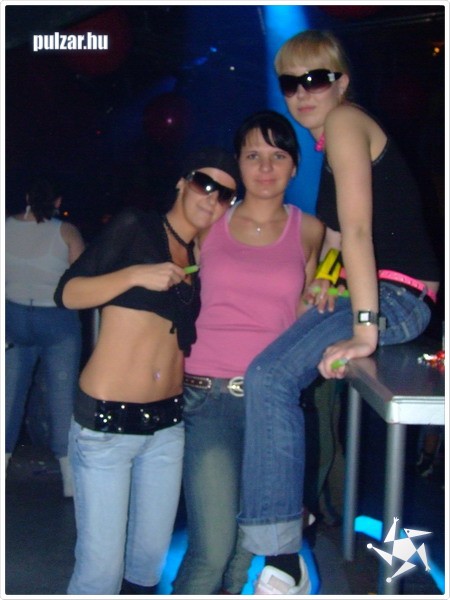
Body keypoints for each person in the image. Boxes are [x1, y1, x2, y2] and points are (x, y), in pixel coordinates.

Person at [237, 30, 441, 594]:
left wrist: (365, 331)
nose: (302, 93)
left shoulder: (347, 121)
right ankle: (289, 529)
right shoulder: (333, 140)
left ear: (341, 82)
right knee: (271, 372)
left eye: (316, 79)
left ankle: (285, 559)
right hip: (381, 292)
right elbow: (334, 242)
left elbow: (357, 231)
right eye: (290, 83)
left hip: (396, 299)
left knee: (269, 376)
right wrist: (325, 282)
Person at [53, 148, 239, 595]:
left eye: (225, 195)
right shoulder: (136, 226)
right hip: (106, 424)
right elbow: (68, 293)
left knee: (147, 566)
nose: (211, 198)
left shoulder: (202, 253)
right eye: (205, 184)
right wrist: (135, 274)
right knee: (100, 571)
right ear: (182, 181)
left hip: (167, 427)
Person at [172, 110, 324, 595]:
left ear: (294, 166)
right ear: (238, 162)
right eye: (253, 155)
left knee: (245, 554)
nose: (265, 167)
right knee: (211, 551)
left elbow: (305, 309)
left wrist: (329, 293)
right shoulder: (210, 222)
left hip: (272, 406)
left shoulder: (310, 230)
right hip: (209, 397)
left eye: (277, 156)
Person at [5, 177, 85, 497]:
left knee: (8, 396)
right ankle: (69, 479)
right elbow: (82, 279)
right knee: (62, 397)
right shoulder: (66, 232)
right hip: (56, 319)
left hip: (13, 317)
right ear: (57, 202)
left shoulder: (4, 227)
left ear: (26, 195)